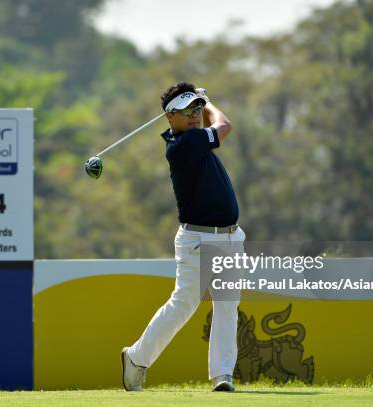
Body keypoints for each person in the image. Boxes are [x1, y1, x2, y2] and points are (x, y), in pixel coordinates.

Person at [121, 82, 245, 392]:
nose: (193, 116)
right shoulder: (184, 146)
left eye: (196, 110)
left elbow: (210, 127)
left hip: (230, 237)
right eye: (186, 112)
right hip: (197, 240)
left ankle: (222, 375)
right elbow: (225, 125)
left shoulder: (194, 139)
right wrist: (210, 101)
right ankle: (136, 358)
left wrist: (201, 104)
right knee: (184, 304)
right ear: (169, 118)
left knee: (227, 304)